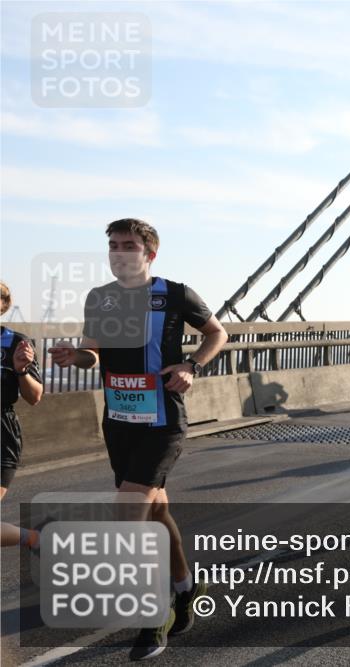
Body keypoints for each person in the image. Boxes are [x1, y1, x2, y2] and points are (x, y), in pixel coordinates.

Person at [50, 218, 228, 660]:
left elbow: (217, 333)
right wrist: (78, 356)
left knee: (128, 518)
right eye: (112, 245)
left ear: (150, 252)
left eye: (128, 245)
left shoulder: (176, 294)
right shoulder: (101, 298)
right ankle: (186, 587)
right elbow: (94, 350)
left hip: (162, 421)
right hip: (119, 421)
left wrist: (192, 366)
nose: (118, 252)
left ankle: (156, 615)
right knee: (155, 511)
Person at [0, 281, 44, 550]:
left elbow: (34, 396)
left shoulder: (16, 343)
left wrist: (21, 370)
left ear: (3, 306)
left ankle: (34, 539)